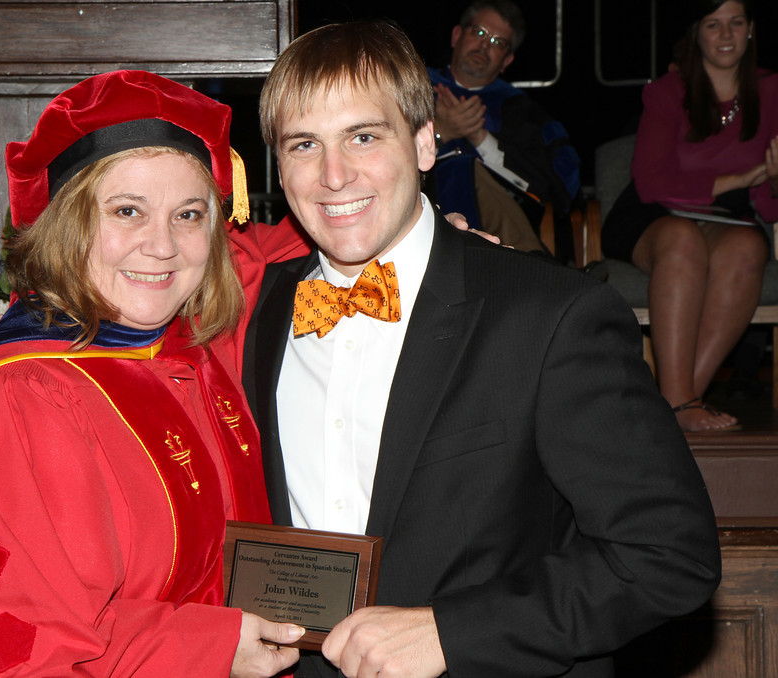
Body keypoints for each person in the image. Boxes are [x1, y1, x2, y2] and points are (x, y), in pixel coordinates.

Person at [244, 20, 721, 677]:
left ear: (423, 142)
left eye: (363, 136)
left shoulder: (551, 316)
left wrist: (450, 634)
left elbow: (670, 554)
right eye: (304, 144)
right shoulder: (262, 313)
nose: (333, 174)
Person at [0, 70, 310, 676]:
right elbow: (8, 641)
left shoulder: (191, 345)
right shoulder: (21, 397)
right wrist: (209, 647)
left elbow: (297, 244)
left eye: (188, 215)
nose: (162, 245)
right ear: (68, 223)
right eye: (127, 211)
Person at [601, 0, 778, 432]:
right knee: (683, 239)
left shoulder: (771, 90)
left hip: (726, 218)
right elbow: (651, 182)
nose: (726, 35)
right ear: (697, 33)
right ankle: (679, 403)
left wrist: (773, 181)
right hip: (651, 213)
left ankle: (674, 405)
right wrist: (737, 179)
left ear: (750, 30)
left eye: (736, 23)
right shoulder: (667, 92)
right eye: (713, 24)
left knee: (748, 246)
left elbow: (768, 204)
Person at [425, 0, 580, 254]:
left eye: (498, 43)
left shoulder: (524, 113)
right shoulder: (413, 87)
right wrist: (442, 134)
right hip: (423, 210)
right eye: (479, 32)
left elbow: (556, 188)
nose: (484, 46)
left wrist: (479, 137)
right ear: (456, 35)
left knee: (466, 168)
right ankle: (539, 266)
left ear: (507, 60)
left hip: (502, 229)